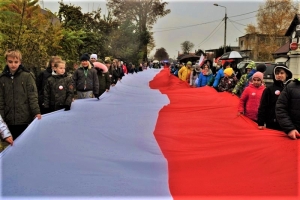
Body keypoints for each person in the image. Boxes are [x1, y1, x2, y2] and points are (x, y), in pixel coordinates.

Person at [0, 50, 41, 140]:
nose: (13, 64)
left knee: (26, 143)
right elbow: (1, 100)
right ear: (6, 62)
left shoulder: (27, 76)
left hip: (24, 118)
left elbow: (32, 96)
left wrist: (36, 112)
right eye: (10, 62)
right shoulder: (2, 78)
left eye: (16, 62)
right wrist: (2, 120)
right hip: (9, 119)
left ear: (20, 62)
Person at [257, 65, 292, 131]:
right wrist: (260, 122)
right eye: (277, 73)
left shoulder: (291, 88)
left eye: (282, 73)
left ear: (287, 74)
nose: (279, 75)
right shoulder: (269, 89)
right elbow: (263, 106)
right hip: (272, 121)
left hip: (289, 122)